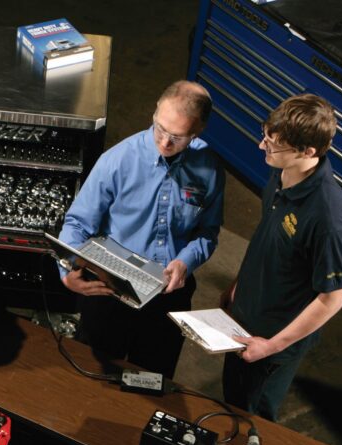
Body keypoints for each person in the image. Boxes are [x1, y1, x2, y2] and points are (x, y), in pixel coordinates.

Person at [57, 80, 225, 379]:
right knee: (95, 376)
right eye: (159, 128)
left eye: (177, 136)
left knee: (152, 381)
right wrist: (67, 272)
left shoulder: (209, 169)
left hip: (168, 294)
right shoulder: (118, 160)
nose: (164, 142)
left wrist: (185, 261)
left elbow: (207, 232)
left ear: (198, 131)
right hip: (112, 288)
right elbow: (77, 223)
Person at [221, 94, 342, 423]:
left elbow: (334, 297)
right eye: (266, 134)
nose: (263, 146)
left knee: (252, 421)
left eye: (275, 145)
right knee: (230, 404)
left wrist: (271, 347)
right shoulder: (282, 173)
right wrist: (238, 287)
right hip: (242, 318)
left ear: (308, 152)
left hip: (270, 339)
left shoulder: (326, 217)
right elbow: (271, 242)